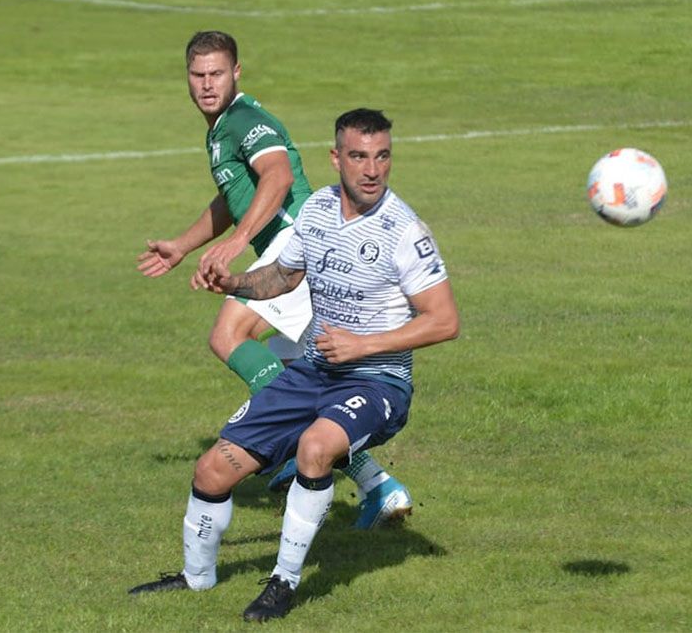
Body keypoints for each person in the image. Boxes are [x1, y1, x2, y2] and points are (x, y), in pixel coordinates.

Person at [129, 108, 460, 623]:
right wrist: (235, 283)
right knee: (213, 469)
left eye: (382, 156)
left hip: (379, 382)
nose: (372, 170)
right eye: (359, 157)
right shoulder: (319, 210)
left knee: (315, 447)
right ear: (335, 158)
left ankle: (283, 582)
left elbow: (444, 321)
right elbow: (284, 277)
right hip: (314, 372)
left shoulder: (404, 230)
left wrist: (363, 346)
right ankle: (196, 579)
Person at [136, 31, 411, 528]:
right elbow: (232, 197)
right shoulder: (222, 129)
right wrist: (182, 245)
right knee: (293, 373)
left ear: (236, 73)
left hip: (297, 245)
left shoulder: (245, 120)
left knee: (228, 335)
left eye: (216, 73)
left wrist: (238, 243)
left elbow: (278, 176)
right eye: (198, 75)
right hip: (299, 248)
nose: (207, 84)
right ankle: (377, 485)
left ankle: (306, 453)